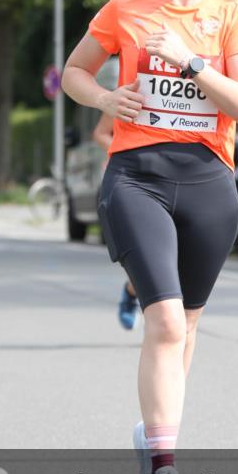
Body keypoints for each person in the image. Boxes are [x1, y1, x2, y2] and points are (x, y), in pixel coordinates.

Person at [62, 0, 238, 474]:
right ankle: (164, 473)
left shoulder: (233, 15)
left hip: (208, 181)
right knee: (167, 324)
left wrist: (192, 63)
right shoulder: (125, 8)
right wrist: (102, 100)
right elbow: (73, 73)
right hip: (136, 177)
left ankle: (154, 437)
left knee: (187, 330)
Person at [91, 111, 141, 330]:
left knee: (181, 264)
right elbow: (101, 133)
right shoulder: (131, 87)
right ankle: (133, 292)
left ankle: (164, 329)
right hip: (135, 182)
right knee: (152, 262)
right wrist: (123, 152)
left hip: (188, 184)